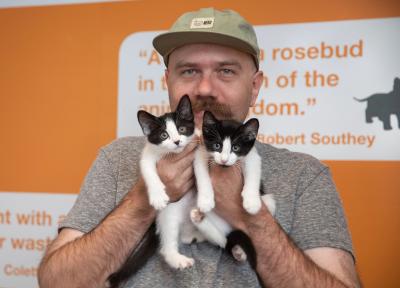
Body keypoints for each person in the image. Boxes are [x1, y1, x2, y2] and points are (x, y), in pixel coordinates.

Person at [38, 7, 361, 288]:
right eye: (189, 71)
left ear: (255, 86)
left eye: (226, 71)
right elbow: (58, 282)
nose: (205, 88)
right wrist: (142, 200)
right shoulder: (117, 159)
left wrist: (248, 217)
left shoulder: (304, 176)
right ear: (168, 81)